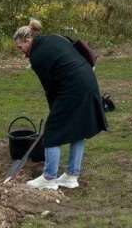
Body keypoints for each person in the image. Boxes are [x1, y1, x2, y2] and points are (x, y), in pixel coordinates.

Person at [14, 19, 108, 189]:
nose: (22, 54)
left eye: (20, 48)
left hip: (73, 87)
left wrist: (54, 112)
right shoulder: (54, 38)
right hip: (88, 81)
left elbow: (49, 87)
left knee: (52, 130)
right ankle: (71, 176)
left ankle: (49, 178)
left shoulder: (37, 56)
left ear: (28, 40)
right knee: (79, 128)